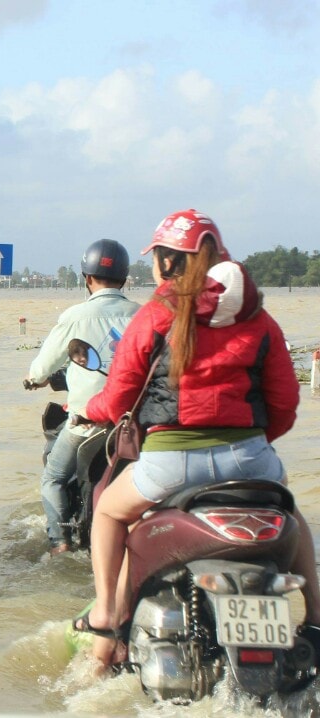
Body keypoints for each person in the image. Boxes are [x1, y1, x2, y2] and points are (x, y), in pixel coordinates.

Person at [74, 209, 320, 670]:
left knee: (108, 510)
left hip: (170, 464)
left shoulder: (155, 317)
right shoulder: (259, 319)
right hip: (252, 460)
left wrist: (88, 409)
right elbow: (285, 405)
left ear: (168, 263)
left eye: (156, 258)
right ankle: (317, 615)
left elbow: (118, 399)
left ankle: (106, 614)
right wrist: (249, 444)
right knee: (290, 510)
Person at [24, 239, 140, 556]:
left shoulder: (76, 316)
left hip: (87, 423)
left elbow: (44, 364)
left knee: (54, 478)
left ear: (86, 278)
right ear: (125, 278)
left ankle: (60, 544)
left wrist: (34, 379)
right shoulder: (143, 316)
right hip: (133, 425)